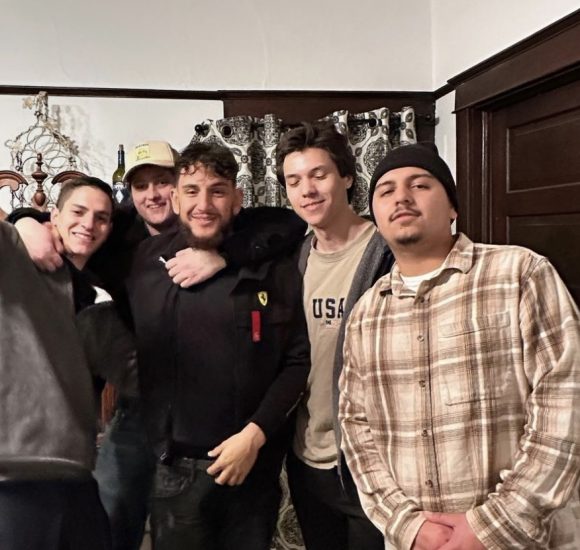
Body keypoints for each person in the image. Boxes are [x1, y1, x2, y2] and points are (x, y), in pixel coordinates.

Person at [9, 140, 307, 550]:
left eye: (163, 181)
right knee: (112, 518)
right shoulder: (126, 253)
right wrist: (25, 220)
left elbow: (288, 224)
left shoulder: (261, 254)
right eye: (142, 185)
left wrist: (226, 255)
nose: (154, 194)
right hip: (146, 441)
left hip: (243, 458)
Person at [339, 143, 580, 550]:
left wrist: (494, 525)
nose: (402, 197)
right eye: (386, 191)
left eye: (420, 185)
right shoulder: (366, 312)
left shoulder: (519, 273)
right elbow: (355, 426)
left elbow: (567, 402)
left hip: (524, 538)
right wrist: (406, 525)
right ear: (376, 218)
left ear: (452, 208)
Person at [127, 140, 310, 550]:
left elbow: (297, 360)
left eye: (218, 191)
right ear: (175, 199)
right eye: (191, 191)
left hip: (251, 468)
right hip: (174, 470)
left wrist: (255, 434)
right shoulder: (142, 261)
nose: (204, 204)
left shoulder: (270, 264)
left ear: (237, 199)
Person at [0, 176, 134, 550]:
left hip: (76, 475)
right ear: (54, 216)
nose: (88, 224)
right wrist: (22, 221)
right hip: (13, 476)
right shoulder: (13, 251)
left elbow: (134, 374)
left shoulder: (96, 297)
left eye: (101, 217)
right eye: (78, 211)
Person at [275, 121, 391, 550]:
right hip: (309, 458)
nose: (307, 190)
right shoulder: (295, 258)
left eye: (319, 175)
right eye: (294, 181)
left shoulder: (388, 252)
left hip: (373, 464)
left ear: (346, 176)